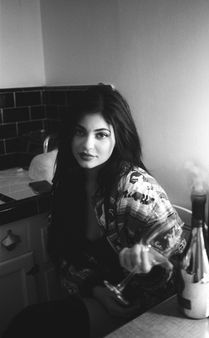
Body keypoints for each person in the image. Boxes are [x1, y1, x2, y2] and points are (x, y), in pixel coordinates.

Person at [3, 84, 187, 338]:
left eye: (101, 135)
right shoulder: (68, 181)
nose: (87, 145)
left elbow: (181, 270)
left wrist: (152, 267)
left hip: (144, 311)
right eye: (80, 132)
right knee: (25, 324)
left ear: (118, 137)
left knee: (30, 326)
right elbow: (62, 254)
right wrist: (94, 288)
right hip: (96, 298)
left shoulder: (135, 191)